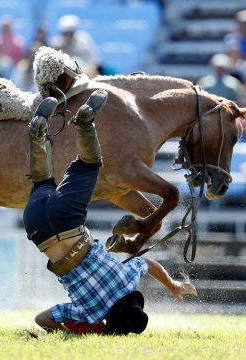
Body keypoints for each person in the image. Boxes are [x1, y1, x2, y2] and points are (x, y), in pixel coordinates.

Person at [24, 92, 197, 335]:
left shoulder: (128, 280)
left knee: (90, 163)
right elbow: (41, 318)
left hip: (68, 223)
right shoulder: (88, 313)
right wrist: (69, 335)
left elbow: (148, 263)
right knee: (41, 180)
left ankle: (85, 124)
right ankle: (36, 136)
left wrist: (173, 285)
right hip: (36, 228)